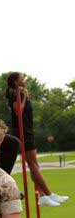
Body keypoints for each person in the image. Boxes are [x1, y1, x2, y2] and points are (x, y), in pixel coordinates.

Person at [6, 72, 69, 206]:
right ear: (16, 82)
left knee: (35, 165)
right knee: (33, 165)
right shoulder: (14, 95)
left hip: (28, 131)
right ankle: (49, 194)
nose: (25, 80)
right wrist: (23, 98)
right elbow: (18, 111)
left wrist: (25, 96)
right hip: (22, 133)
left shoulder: (21, 93)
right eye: (22, 78)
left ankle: (43, 196)